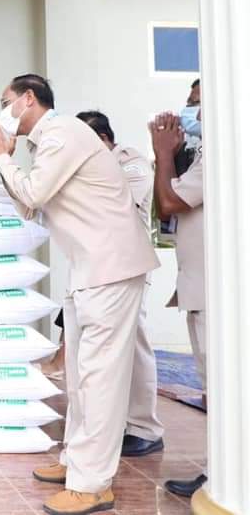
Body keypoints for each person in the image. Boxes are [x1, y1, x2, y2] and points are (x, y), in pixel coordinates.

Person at [0, 74, 159, 515]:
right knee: (80, 377)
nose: (3, 111)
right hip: (90, 269)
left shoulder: (62, 132)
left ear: (28, 99)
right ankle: (75, 462)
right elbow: (30, 205)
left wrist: (1, 157)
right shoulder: (47, 142)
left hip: (110, 268)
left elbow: (34, 192)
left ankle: (92, 485)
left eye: (6, 101)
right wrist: (7, 161)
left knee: (99, 380)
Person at [75, 111, 165, 458]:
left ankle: (145, 428)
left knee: (136, 346)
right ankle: (118, 423)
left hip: (129, 267)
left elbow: (114, 206)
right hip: (100, 268)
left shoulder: (131, 163)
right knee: (104, 353)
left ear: (102, 139)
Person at [150, 90, 207, 498]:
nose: (187, 111)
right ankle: (219, 469)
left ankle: (226, 474)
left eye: (196, 102)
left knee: (222, 386)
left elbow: (169, 202)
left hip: (214, 290)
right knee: (212, 385)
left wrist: (163, 152)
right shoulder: (202, 153)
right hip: (199, 286)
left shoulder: (221, 154)